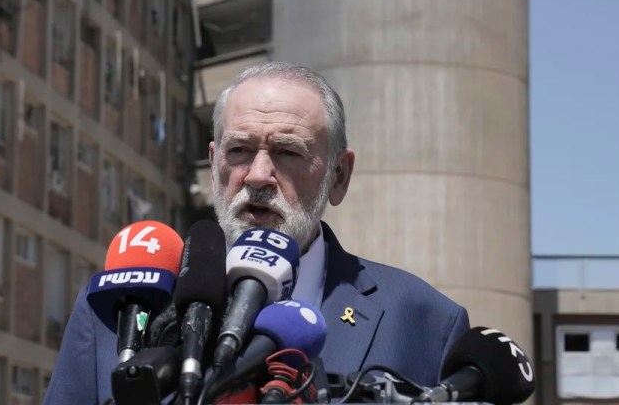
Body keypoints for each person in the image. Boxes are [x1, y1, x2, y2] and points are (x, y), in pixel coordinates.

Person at [44, 62, 469, 404]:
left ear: (338, 176)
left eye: (287, 152)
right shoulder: (119, 310)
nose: (259, 175)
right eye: (240, 151)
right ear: (214, 167)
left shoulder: (425, 322)